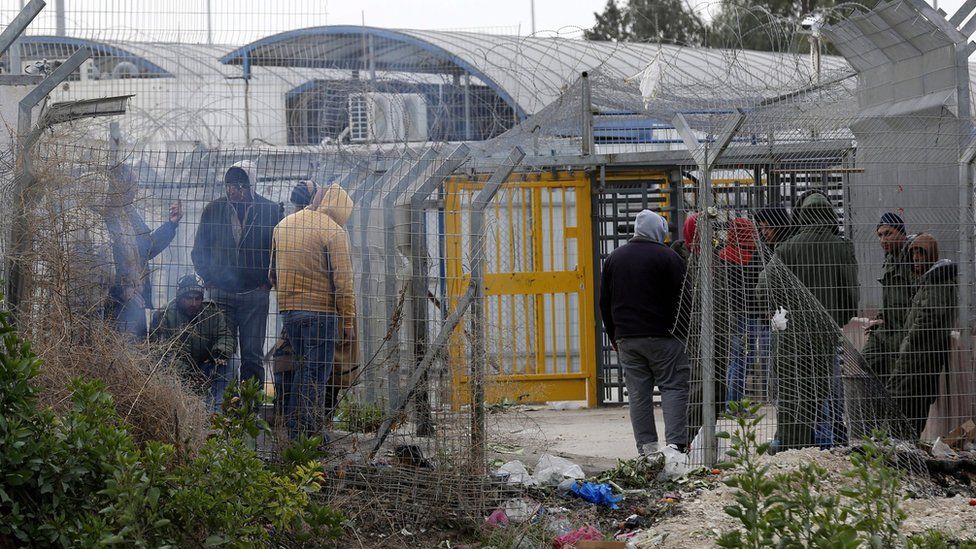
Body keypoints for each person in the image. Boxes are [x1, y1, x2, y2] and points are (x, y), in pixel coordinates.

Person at [760, 189, 858, 450]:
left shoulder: (787, 248)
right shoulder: (841, 247)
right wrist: (838, 317)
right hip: (824, 335)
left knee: (791, 391)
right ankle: (825, 444)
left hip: (791, 336)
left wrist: (781, 311)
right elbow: (851, 294)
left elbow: (763, 288)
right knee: (820, 390)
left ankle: (792, 447)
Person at [600, 209, 690, 455]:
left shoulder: (614, 259)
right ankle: (675, 446)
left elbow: (604, 303)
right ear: (658, 231)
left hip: (627, 338)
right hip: (666, 337)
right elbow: (684, 299)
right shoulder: (669, 258)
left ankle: (647, 450)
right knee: (673, 387)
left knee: (639, 395)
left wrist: (614, 336)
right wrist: (682, 333)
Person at [271, 183, 356, 438]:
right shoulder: (334, 231)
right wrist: (348, 322)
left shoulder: (283, 225)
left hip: (289, 310)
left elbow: (271, 273)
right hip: (321, 312)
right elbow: (344, 282)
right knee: (316, 373)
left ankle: (296, 430)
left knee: (300, 368)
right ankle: (308, 434)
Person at [191, 160, 282, 387]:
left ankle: (250, 411)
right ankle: (226, 410)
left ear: (250, 186)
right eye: (229, 185)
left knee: (252, 354)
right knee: (224, 353)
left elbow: (279, 251)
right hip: (221, 295)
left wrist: (268, 281)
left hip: (255, 295)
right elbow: (198, 250)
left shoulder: (270, 211)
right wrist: (210, 279)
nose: (233, 190)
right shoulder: (213, 210)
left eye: (239, 186)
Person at [103, 164, 183, 340]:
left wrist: (171, 225)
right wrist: (122, 289)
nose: (135, 190)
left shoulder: (130, 214)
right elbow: (106, 261)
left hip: (137, 297)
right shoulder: (105, 217)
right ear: (120, 186)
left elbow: (146, 249)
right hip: (114, 300)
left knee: (137, 350)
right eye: (133, 185)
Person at [890, 234, 957, 437]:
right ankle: (901, 446)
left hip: (920, 355)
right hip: (917, 353)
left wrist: (907, 344)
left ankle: (899, 446)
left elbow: (928, 318)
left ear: (931, 254)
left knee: (903, 399)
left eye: (921, 253)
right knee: (906, 401)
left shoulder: (937, 282)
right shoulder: (929, 279)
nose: (916, 258)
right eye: (913, 253)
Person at [150, 274, 236, 408]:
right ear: (180, 297)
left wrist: (219, 353)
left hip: (206, 367)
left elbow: (225, 336)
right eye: (189, 299)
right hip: (176, 371)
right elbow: (162, 352)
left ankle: (216, 412)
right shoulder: (164, 315)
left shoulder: (211, 312)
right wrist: (187, 374)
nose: (193, 303)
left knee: (233, 361)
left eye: (197, 299)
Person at [861, 213, 916, 379]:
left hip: (905, 331)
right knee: (866, 360)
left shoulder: (913, 259)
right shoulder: (890, 259)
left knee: (897, 377)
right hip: (888, 328)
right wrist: (881, 317)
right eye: (879, 235)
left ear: (901, 233)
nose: (883, 240)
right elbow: (891, 297)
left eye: (888, 233)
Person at [720, 218, 765, 406]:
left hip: (730, 314)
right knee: (744, 359)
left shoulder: (722, 256)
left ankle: (730, 401)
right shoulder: (755, 257)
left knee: (734, 358)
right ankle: (734, 402)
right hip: (751, 314)